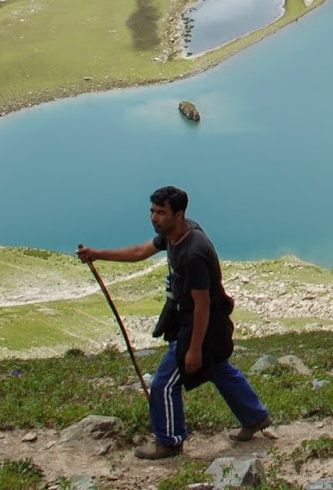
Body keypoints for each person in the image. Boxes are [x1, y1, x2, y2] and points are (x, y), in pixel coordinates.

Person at [77, 186, 271, 460]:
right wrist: (98, 254)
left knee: (164, 384)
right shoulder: (175, 234)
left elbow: (202, 305)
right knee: (216, 367)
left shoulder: (193, 253)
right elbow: (139, 251)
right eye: (153, 212)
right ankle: (255, 417)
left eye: (161, 213)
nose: (155, 218)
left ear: (178, 214)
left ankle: (169, 441)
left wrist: (193, 349)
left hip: (199, 326)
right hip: (195, 321)